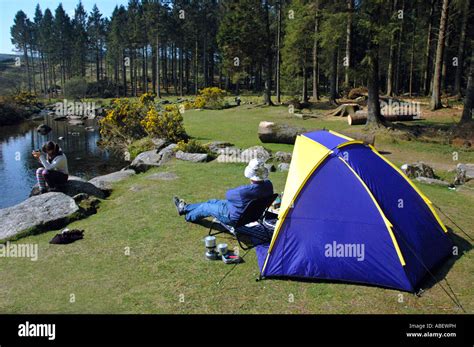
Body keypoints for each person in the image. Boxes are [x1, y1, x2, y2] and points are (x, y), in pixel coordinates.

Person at [173, 158, 273, 225]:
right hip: (251, 215)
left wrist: (243, 189)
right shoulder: (269, 185)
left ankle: (188, 216)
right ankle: (185, 208)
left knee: (206, 207)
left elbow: (228, 195)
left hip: (234, 217)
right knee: (211, 201)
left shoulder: (243, 191)